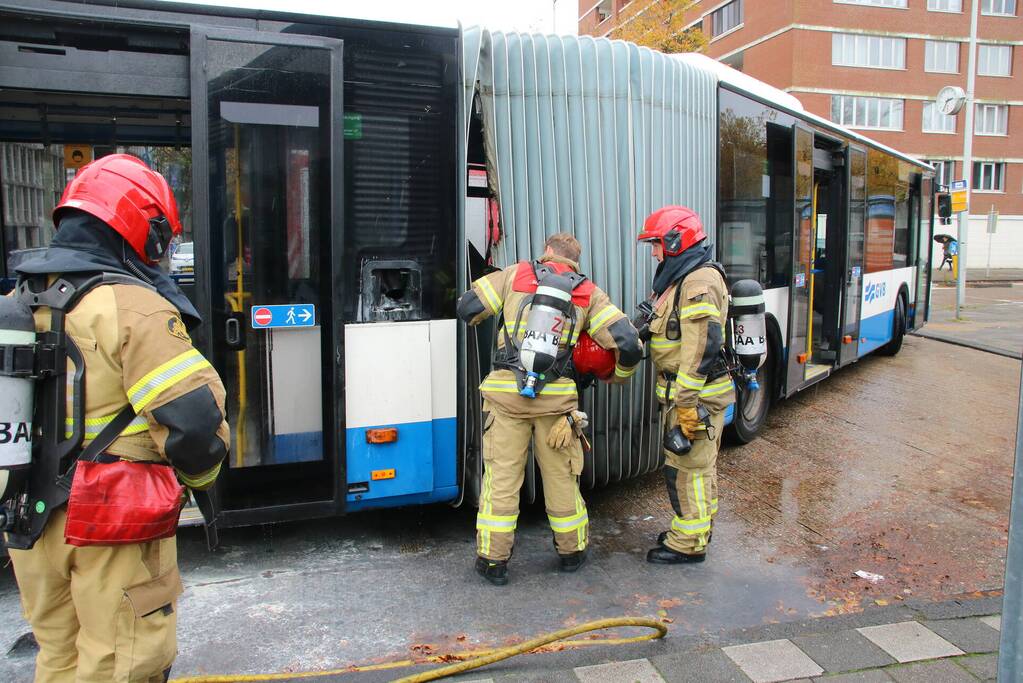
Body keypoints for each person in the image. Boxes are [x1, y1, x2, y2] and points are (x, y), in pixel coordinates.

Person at [7, 154, 229, 682]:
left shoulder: (16, 302)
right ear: (138, 225)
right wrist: (202, 484)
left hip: (28, 521)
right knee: (123, 662)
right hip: (109, 525)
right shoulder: (132, 306)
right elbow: (194, 424)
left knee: (59, 656)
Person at [456, 233, 642, 585]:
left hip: (505, 399)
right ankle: (572, 552)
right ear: (575, 261)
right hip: (557, 405)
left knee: (502, 480)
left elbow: (468, 307)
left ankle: (493, 561)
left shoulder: (515, 274)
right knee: (561, 478)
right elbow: (629, 344)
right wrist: (618, 375)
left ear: (547, 253)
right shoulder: (587, 292)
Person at [636, 206, 735, 565]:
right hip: (693, 396)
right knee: (700, 466)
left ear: (677, 240)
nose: (654, 253)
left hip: (695, 399)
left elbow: (702, 346)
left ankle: (688, 542)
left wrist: (686, 402)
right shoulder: (683, 278)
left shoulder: (698, 282)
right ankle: (698, 529)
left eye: (658, 244)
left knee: (686, 468)